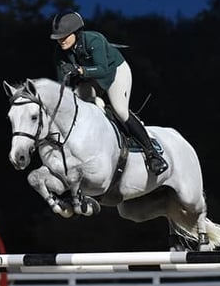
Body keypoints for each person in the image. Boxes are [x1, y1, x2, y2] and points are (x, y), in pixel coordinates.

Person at [50, 11, 168, 175]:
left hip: (114, 72)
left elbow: (103, 69)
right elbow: (62, 85)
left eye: (64, 36)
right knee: (80, 105)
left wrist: (79, 69)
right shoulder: (60, 52)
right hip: (89, 79)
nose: (60, 40)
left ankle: (152, 154)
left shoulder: (94, 40)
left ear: (76, 32)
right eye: (57, 37)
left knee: (120, 110)